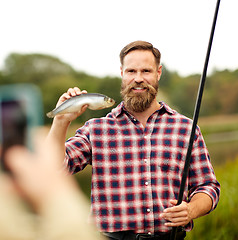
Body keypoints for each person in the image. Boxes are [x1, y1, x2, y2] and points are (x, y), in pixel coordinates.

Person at [47, 40, 220, 240]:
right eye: (131, 71)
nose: (138, 78)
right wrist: (60, 121)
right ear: (122, 73)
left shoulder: (186, 129)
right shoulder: (96, 130)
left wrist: (191, 209)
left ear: (158, 73)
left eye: (146, 71)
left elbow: (208, 186)